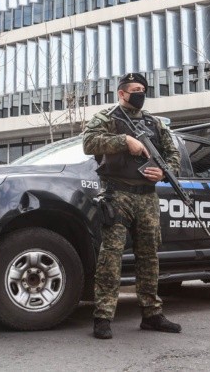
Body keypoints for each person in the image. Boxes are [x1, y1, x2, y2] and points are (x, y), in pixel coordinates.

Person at [83, 72, 182, 340]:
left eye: (143, 88)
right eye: (135, 89)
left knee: (149, 256)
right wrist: (125, 142)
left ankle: (152, 314)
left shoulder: (154, 123)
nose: (140, 92)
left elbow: (172, 155)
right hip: (117, 194)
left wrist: (164, 172)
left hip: (147, 196)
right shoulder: (107, 117)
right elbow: (88, 142)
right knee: (110, 256)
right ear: (122, 93)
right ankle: (102, 316)